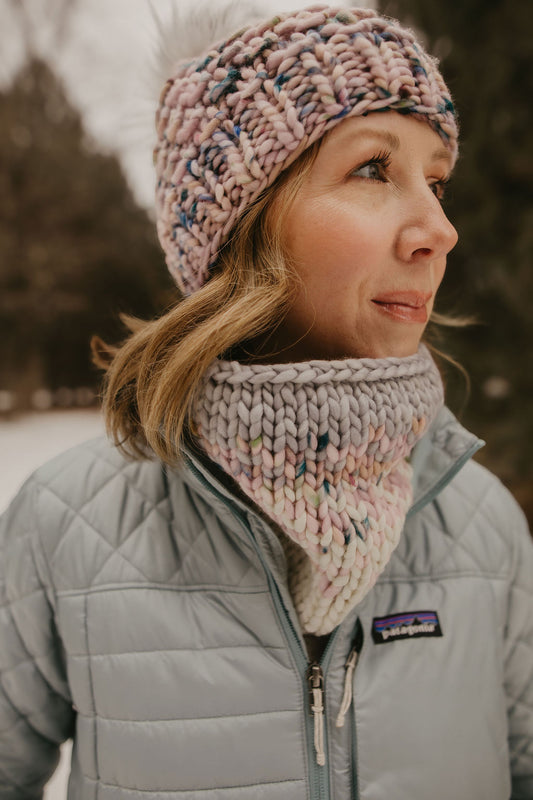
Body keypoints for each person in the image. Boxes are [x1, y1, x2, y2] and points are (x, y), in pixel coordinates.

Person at [1, 3, 532, 798]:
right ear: (244, 226)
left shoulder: (482, 524)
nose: (439, 228)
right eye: (371, 169)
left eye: (436, 181)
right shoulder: (67, 523)